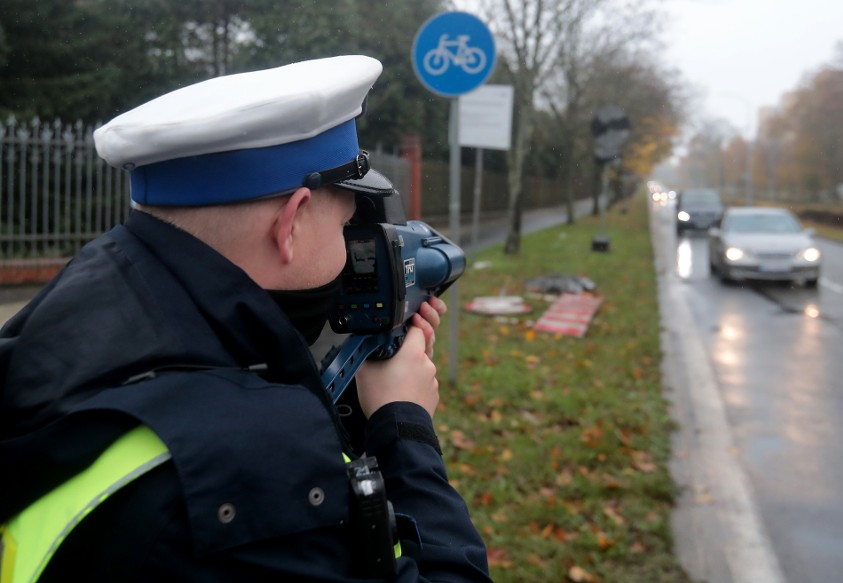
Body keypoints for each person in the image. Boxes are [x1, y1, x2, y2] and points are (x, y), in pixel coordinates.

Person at [0, 55, 491, 582]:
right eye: (347, 225)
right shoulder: (252, 468)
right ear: (292, 221)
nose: (351, 252)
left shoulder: (73, 308)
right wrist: (404, 423)